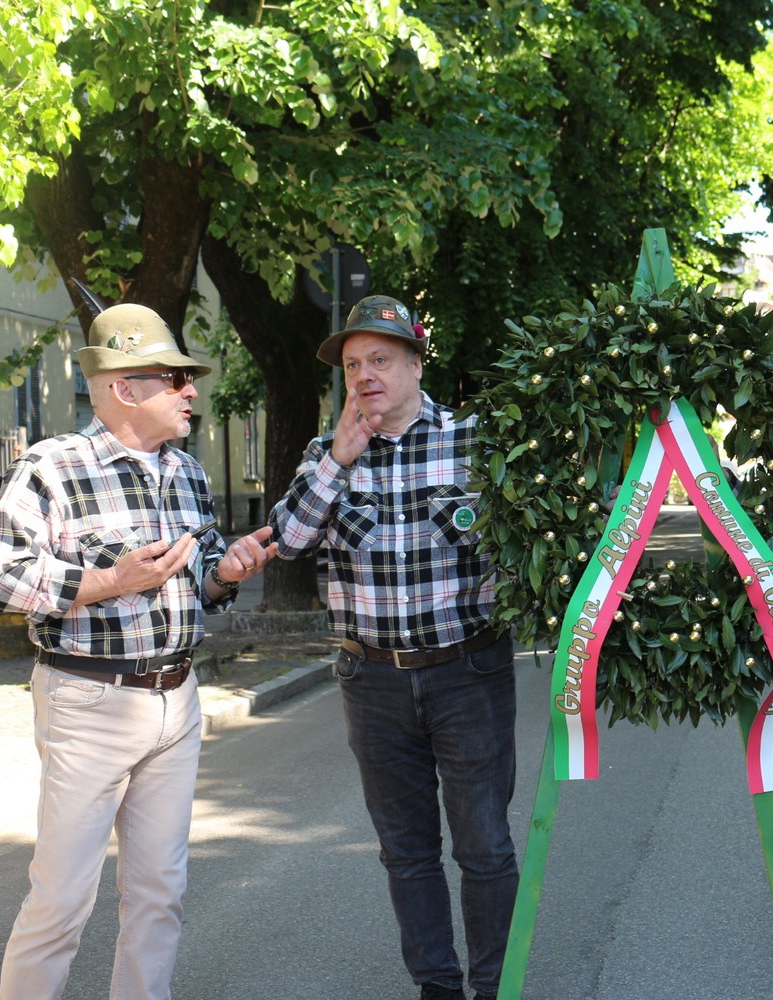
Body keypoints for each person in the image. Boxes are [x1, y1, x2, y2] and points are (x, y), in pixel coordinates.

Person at [0, 302, 277, 1000]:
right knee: (61, 900)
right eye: (175, 377)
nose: (192, 390)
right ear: (124, 388)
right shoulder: (53, 466)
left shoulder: (188, 473)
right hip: (88, 699)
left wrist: (226, 572)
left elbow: (200, 582)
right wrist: (110, 581)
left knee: (160, 893)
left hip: (177, 698)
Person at [269, 295, 516, 1000]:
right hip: (372, 680)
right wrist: (337, 459)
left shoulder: (477, 442)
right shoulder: (325, 455)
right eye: (353, 365)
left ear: (415, 364)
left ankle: (493, 987)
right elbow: (288, 541)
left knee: (484, 846)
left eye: (379, 359)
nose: (364, 375)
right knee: (406, 853)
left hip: (468, 671)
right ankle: (437, 988)